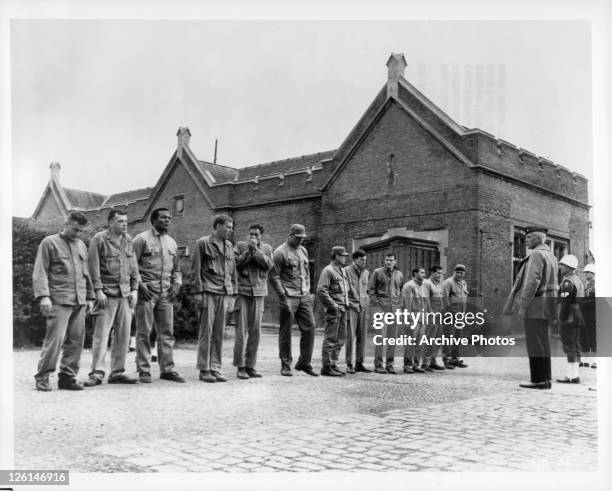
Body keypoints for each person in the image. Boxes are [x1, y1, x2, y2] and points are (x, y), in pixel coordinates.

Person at [32, 211, 95, 391]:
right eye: (75, 229)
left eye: (81, 231)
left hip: (79, 300)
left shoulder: (82, 245)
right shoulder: (49, 243)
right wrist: (44, 296)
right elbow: (40, 271)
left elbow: (86, 273)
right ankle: (42, 376)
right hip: (59, 300)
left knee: (76, 341)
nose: (77, 234)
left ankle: (67, 377)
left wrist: (89, 297)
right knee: (55, 340)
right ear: (66, 224)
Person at [84, 209, 140, 386]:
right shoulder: (99, 239)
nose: (125, 224)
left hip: (125, 294)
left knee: (123, 335)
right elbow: (93, 267)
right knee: (101, 335)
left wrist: (135, 289)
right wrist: (98, 291)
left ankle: (117, 372)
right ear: (110, 223)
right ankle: (97, 373)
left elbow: (134, 266)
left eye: (126, 221)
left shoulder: (128, 239)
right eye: (120, 221)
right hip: (106, 294)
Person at [503, 225, 558, 389]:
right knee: (543, 342)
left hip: (536, 305)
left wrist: (522, 307)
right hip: (547, 305)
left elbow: (531, 283)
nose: (526, 239)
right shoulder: (551, 256)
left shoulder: (536, 255)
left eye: (529, 237)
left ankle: (538, 380)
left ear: (539, 239)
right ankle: (546, 378)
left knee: (534, 343)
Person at [133, 208, 184, 383]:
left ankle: (167, 369)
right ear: (153, 220)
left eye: (169, 218)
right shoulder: (141, 240)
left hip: (166, 293)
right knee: (144, 332)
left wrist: (177, 283)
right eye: (163, 218)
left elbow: (177, 268)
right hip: (147, 292)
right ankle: (144, 370)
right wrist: (139, 284)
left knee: (167, 332)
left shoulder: (172, 243)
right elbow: (131, 266)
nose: (167, 220)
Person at [191, 215, 237, 383]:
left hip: (224, 293)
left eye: (231, 228)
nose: (230, 230)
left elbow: (233, 272)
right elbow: (195, 269)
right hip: (208, 292)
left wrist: (233, 293)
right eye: (228, 227)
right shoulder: (202, 243)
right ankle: (204, 369)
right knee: (206, 332)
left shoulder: (229, 246)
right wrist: (197, 292)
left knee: (219, 333)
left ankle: (215, 368)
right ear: (217, 226)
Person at [269, 224, 318, 377]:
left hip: (303, 295)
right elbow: (274, 276)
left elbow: (307, 272)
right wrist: (282, 295)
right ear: (290, 235)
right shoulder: (279, 253)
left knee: (310, 327)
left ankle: (304, 363)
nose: (300, 241)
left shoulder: (303, 250)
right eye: (297, 238)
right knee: (286, 331)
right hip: (288, 296)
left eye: (302, 238)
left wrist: (309, 291)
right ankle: (285, 365)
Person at [232, 223, 273, 379]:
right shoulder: (241, 246)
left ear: (261, 235)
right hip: (242, 292)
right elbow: (235, 263)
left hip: (259, 293)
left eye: (256, 234)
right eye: (251, 234)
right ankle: (240, 367)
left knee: (255, 332)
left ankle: (251, 366)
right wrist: (248, 251)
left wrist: (255, 250)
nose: (253, 237)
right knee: (241, 331)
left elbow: (268, 265)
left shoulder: (267, 248)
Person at [368, 251, 404, 374]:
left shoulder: (399, 274)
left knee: (392, 338)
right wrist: (377, 304)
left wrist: (399, 305)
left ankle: (390, 364)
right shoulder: (377, 272)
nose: (388, 262)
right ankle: (378, 365)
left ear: (395, 261)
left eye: (391, 260)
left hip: (394, 309)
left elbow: (401, 290)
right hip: (381, 308)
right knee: (381, 337)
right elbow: (371, 290)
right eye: (387, 260)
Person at [317, 246, 350, 377]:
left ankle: (333, 363)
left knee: (341, 338)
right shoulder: (328, 271)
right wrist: (333, 306)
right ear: (336, 256)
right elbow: (321, 290)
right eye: (343, 255)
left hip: (343, 309)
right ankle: (326, 366)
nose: (345, 258)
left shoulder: (342, 270)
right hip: (334, 310)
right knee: (330, 338)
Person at [556, 255, 585, 384]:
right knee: (575, 343)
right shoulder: (578, 280)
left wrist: (561, 318)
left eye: (562, 265)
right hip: (578, 314)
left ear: (568, 267)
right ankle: (575, 374)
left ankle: (571, 376)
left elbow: (565, 302)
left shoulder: (567, 281)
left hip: (569, 316)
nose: (560, 267)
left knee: (569, 345)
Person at [345, 249, 372, 373]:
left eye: (365, 260)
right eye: (361, 260)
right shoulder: (346, 271)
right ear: (355, 259)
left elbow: (367, 290)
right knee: (350, 337)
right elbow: (343, 291)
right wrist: (350, 303)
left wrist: (367, 301)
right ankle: (349, 364)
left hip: (363, 307)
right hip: (351, 308)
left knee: (362, 337)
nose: (363, 262)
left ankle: (359, 363)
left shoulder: (366, 272)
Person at [402, 267, 431, 373]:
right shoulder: (409, 285)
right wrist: (408, 317)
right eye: (422, 272)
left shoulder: (424, 286)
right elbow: (406, 303)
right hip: (412, 318)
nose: (424, 274)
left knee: (420, 342)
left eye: (424, 272)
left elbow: (427, 302)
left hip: (422, 318)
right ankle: (407, 365)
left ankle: (416, 364)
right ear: (415, 273)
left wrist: (429, 314)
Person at [441, 264, 469, 369]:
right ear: (454, 272)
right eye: (458, 272)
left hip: (460, 315)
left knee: (457, 338)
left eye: (462, 273)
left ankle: (455, 359)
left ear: (464, 273)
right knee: (448, 337)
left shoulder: (464, 283)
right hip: (450, 315)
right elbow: (444, 299)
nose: (460, 274)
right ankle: (446, 360)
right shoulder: (448, 282)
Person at [422, 265, 446, 370]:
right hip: (431, 316)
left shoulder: (437, 284)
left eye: (441, 273)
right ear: (432, 272)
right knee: (429, 339)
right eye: (438, 273)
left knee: (437, 339)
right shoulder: (427, 283)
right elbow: (425, 300)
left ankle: (432, 361)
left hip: (439, 315)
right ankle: (425, 363)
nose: (440, 275)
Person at [580, 263, 596, 369]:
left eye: (587, 272)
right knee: (584, 337)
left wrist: (582, 303)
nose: (585, 274)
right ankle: (585, 359)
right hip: (583, 315)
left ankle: (595, 360)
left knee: (593, 337)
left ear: (592, 273)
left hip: (593, 315)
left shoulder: (596, 285)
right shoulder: (585, 284)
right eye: (585, 272)